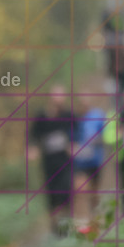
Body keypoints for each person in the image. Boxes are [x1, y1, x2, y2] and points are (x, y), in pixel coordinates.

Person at [29, 85, 76, 235]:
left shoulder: (69, 115)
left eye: (61, 96)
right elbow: (33, 135)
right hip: (49, 161)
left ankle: (65, 226)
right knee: (52, 195)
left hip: (65, 161)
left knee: (65, 192)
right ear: (50, 97)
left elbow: (77, 132)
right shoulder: (42, 116)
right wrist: (32, 148)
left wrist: (74, 144)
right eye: (56, 95)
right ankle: (54, 228)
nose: (59, 99)